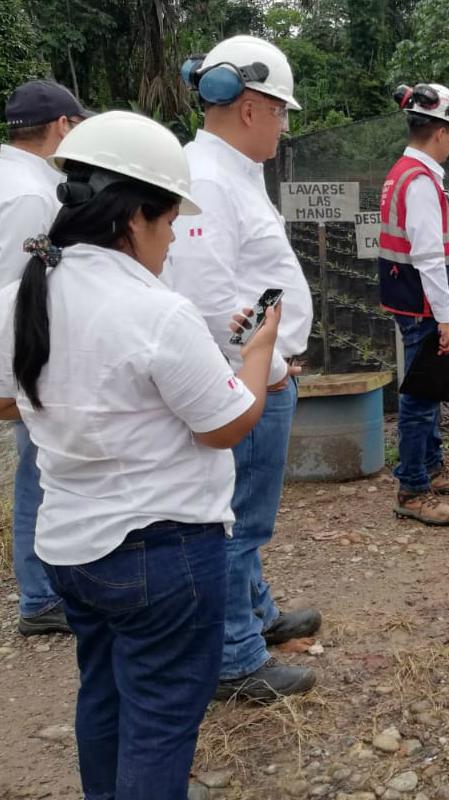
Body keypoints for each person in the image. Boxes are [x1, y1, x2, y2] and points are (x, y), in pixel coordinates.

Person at [0, 110, 277, 799]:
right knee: (160, 721)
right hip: (164, 554)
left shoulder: (22, 294)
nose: (175, 235)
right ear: (133, 218)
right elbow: (226, 423)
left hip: (70, 550)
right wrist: (260, 355)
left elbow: (12, 401)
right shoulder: (156, 311)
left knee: (105, 697)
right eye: (170, 220)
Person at [163, 34, 319, 701]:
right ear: (250, 106)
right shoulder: (205, 177)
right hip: (245, 378)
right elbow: (206, 300)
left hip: (255, 373)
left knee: (244, 514)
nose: (285, 126)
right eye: (281, 111)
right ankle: (234, 657)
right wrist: (271, 368)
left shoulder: (228, 172)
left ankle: (256, 616)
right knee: (234, 519)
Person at [0, 80, 91, 637]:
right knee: (41, 467)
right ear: (61, 125)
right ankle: (38, 595)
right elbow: (16, 288)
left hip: (18, 350)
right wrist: (20, 376)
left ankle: (42, 586)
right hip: (24, 349)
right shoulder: (32, 193)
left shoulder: (13, 177)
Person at [378, 82, 449, 528]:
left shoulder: (403, 172)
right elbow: (428, 257)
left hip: (412, 301)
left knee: (432, 388)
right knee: (421, 398)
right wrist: (444, 321)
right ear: (440, 132)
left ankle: (434, 468)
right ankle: (413, 489)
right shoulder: (419, 183)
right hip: (423, 306)